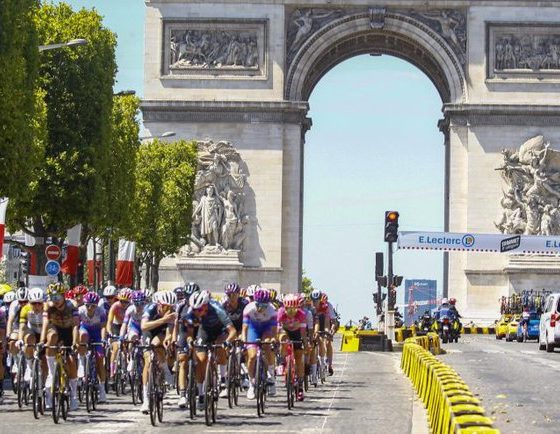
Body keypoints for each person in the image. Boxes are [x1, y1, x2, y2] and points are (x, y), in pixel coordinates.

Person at [178, 290, 236, 409]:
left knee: (220, 346)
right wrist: (190, 341)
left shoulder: (217, 309)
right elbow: (189, 333)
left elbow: (232, 331)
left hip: (220, 331)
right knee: (201, 360)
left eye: (199, 309)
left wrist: (227, 342)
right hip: (204, 331)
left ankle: (223, 379)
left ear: (206, 305)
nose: (197, 312)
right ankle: (201, 393)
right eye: (194, 309)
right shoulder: (190, 312)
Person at [41, 282, 80, 411]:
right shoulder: (48, 306)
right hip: (56, 330)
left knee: (71, 361)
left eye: (57, 297)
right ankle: (52, 374)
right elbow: (45, 324)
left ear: (64, 296)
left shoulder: (72, 305)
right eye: (52, 297)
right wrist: (42, 341)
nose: (55, 300)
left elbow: (75, 326)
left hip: (69, 331)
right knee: (51, 339)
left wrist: (75, 342)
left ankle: (73, 395)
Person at [139, 290, 177, 414]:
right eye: (166, 307)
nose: (168, 310)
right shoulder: (150, 308)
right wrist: (163, 319)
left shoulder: (171, 312)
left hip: (161, 330)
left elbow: (169, 331)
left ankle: (165, 369)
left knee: (159, 347)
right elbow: (144, 326)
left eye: (171, 307)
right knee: (148, 360)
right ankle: (145, 399)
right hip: (149, 329)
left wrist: (168, 338)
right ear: (159, 304)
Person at [242, 287, 277, 399]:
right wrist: (244, 342)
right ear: (254, 302)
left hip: (266, 329)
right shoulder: (249, 308)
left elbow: (274, 331)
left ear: (268, 304)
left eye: (264, 306)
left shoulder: (272, 310)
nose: (261, 308)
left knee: (267, 346)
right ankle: (251, 383)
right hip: (253, 328)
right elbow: (244, 329)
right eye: (258, 305)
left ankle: (270, 375)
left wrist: (273, 339)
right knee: (252, 356)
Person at [77, 291, 108, 403]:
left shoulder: (101, 311)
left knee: (100, 359)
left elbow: (103, 327)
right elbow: (76, 327)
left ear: (97, 305)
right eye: (87, 305)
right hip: (85, 330)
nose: (90, 308)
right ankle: (81, 363)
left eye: (93, 306)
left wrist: (103, 340)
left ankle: (102, 389)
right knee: (83, 336)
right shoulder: (80, 311)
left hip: (96, 332)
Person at [277, 294, 308, 401]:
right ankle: (282, 361)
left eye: (293, 309)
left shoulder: (301, 314)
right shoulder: (280, 312)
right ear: (284, 308)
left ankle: (300, 386)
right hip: (285, 331)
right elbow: (277, 330)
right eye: (288, 309)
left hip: (296, 333)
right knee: (283, 339)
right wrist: (277, 341)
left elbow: (303, 333)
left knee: (299, 357)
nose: (291, 312)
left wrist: (305, 344)